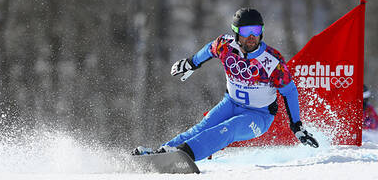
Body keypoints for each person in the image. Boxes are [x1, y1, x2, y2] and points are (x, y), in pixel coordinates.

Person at [132, 8, 318, 161]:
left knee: (231, 128)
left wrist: (297, 125)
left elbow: (290, 91)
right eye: (245, 31)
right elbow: (209, 49)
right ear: (236, 32)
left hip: (259, 115)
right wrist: (191, 63)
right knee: (202, 127)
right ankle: (161, 154)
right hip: (230, 104)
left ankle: (183, 155)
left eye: (256, 30)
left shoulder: (271, 60)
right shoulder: (225, 46)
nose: (251, 36)